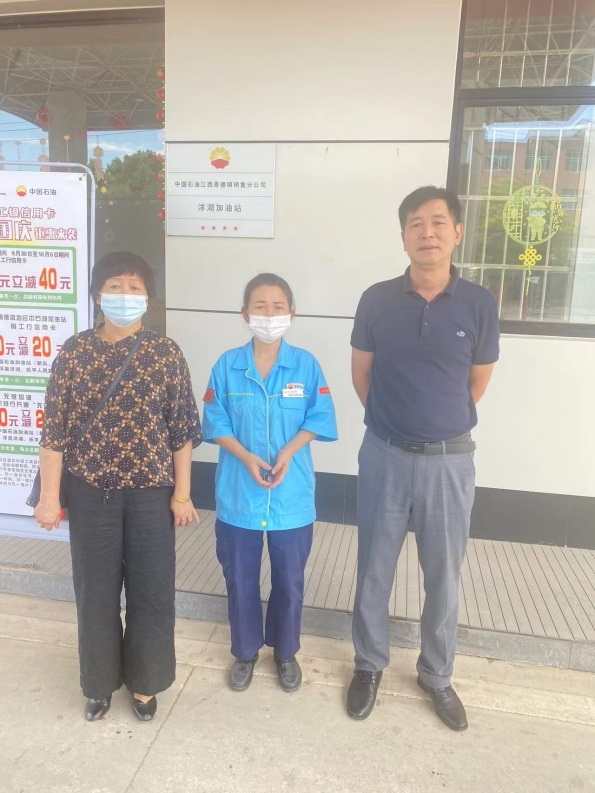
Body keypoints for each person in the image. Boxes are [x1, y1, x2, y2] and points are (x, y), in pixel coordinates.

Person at [347, 186, 499, 730]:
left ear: (457, 232)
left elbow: (476, 382)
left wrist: (436, 429)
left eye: (438, 222)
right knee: (374, 568)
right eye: (416, 223)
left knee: (444, 575)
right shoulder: (376, 299)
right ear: (403, 236)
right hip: (384, 455)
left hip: (449, 462)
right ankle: (369, 665)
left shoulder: (479, 302)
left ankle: (436, 674)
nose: (427, 232)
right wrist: (395, 425)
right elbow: (361, 374)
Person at [34, 251, 202, 722]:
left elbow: (182, 431)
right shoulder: (74, 352)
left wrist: (182, 494)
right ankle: (99, 683)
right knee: (96, 594)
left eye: (134, 287)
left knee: (152, 592)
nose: (124, 295)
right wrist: (49, 498)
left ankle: (146, 684)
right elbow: (54, 433)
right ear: (96, 295)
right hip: (91, 495)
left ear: (148, 298)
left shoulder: (165, 354)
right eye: (114, 286)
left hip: (151, 497)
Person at [202, 273, 338, 693]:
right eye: (260, 306)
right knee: (240, 578)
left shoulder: (306, 365)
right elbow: (214, 422)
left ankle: (285, 652)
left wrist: (289, 451)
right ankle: (244, 652)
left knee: (290, 580)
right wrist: (245, 457)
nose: (269, 314)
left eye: (278, 307)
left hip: (290, 494)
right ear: (245, 314)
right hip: (238, 493)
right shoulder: (227, 366)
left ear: (291, 314)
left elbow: (320, 416)